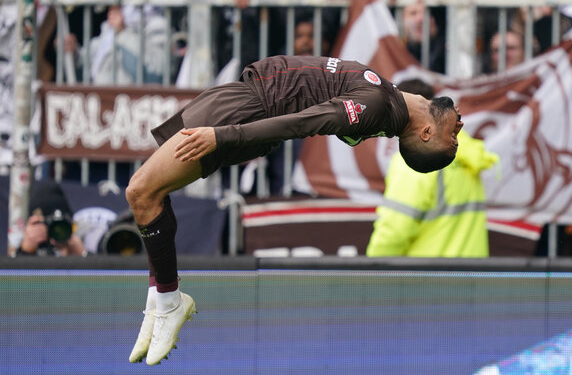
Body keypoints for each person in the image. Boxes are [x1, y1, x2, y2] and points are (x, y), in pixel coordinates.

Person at [125, 55, 463, 365]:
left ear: (427, 132)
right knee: (150, 193)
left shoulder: (374, 107)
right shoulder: (388, 99)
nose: (459, 129)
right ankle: (160, 297)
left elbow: (300, 123)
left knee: (141, 192)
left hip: (246, 112)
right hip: (243, 100)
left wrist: (224, 135)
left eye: (453, 140)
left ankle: (168, 301)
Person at [367, 80, 498, 257]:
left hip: (428, 277)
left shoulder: (415, 158)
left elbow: (396, 229)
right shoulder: (464, 151)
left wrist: (373, 270)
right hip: (472, 273)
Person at [16, 181, 86, 257]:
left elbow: (98, 266)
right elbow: (8, 268)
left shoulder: (80, 241)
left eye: (60, 225)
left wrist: (82, 255)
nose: (54, 231)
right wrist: (25, 250)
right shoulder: (27, 244)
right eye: (47, 223)